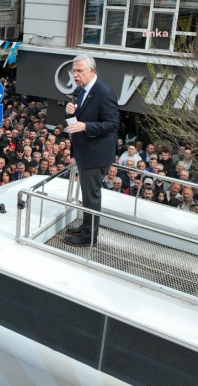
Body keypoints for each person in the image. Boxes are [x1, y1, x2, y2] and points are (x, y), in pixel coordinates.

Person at [64, 54, 119, 246]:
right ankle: (87, 227)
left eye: (79, 70)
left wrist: (86, 126)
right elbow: (80, 117)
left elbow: (112, 124)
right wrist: (70, 111)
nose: (75, 75)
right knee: (87, 196)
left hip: (96, 155)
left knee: (91, 197)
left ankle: (89, 238)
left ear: (92, 71)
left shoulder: (104, 92)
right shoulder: (83, 90)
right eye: (73, 71)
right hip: (85, 152)